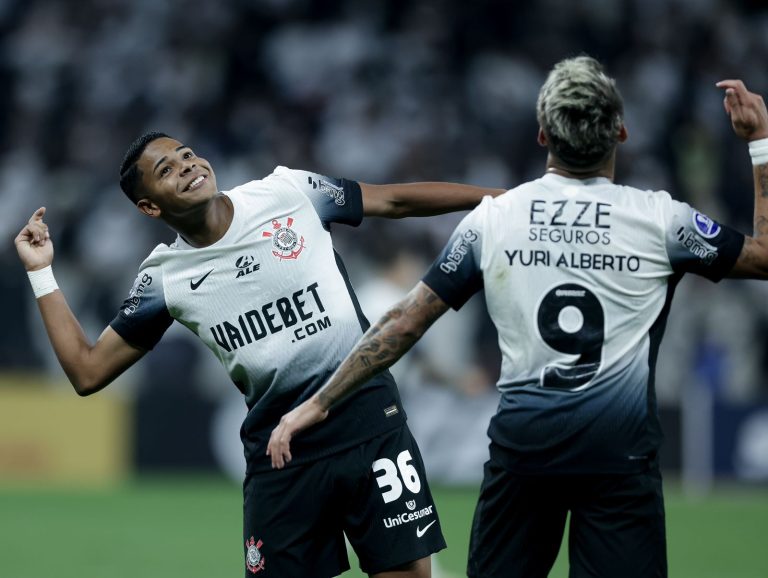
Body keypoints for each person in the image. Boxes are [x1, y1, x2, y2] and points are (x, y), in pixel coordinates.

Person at [267, 57, 768, 578]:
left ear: (542, 135)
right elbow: (765, 256)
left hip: (525, 458)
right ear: (621, 131)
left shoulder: (497, 218)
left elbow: (404, 323)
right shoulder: (664, 219)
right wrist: (760, 143)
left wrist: (320, 402)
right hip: (620, 463)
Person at [14, 132, 505, 578]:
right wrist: (42, 274)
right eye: (166, 170)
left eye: (186, 154)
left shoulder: (288, 192)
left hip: (370, 427)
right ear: (149, 207)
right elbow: (86, 370)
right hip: (282, 457)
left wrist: (501, 202)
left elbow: (394, 199)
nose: (186, 166)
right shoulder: (164, 277)